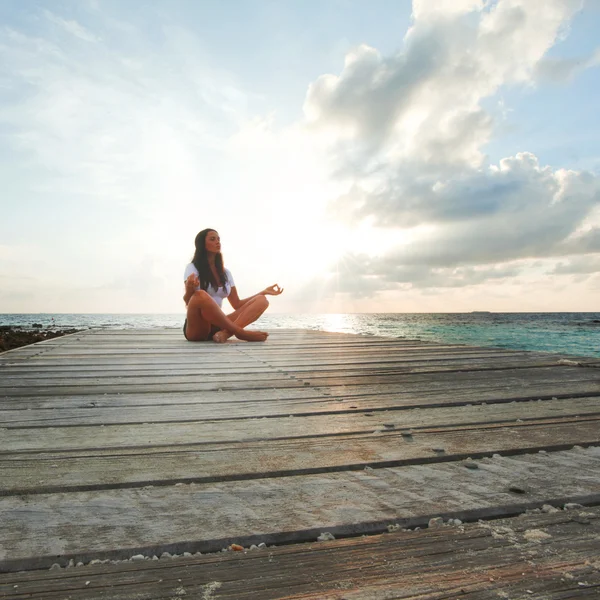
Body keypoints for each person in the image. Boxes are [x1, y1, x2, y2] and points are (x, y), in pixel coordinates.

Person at [183, 228, 283, 342]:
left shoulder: (226, 273)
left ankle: (225, 334)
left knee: (262, 300)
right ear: (202, 244)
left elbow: (237, 304)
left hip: (219, 324)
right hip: (198, 327)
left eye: (218, 239)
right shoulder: (192, 268)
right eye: (212, 239)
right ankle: (240, 333)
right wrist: (189, 288)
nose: (217, 242)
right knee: (200, 295)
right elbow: (188, 301)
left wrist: (264, 292)